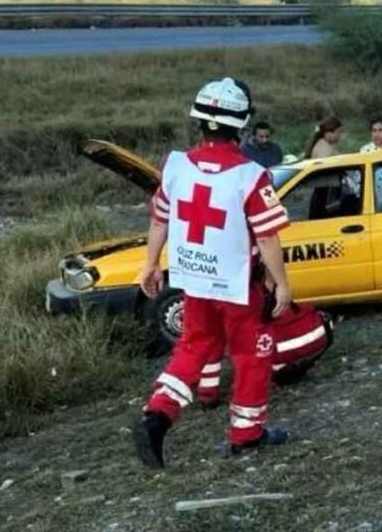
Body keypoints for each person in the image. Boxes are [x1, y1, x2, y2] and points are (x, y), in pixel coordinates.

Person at [133, 77, 293, 469]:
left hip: (195, 283)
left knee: (191, 349)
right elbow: (267, 237)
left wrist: (151, 264)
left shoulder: (174, 167)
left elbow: (159, 221)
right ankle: (246, 434)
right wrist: (283, 283)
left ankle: (157, 416)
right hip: (239, 287)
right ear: (241, 123)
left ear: (199, 122)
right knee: (252, 355)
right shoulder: (251, 175)